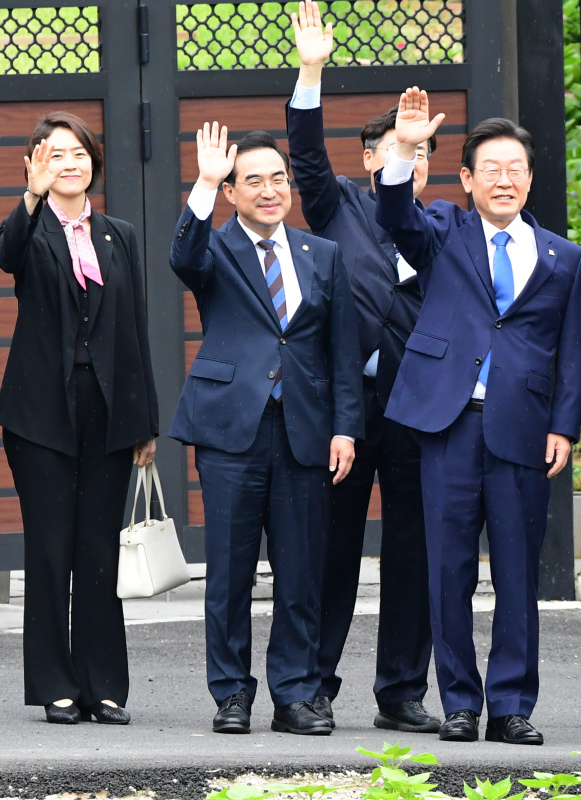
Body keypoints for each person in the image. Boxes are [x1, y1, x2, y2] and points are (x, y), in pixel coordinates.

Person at [373, 88, 581, 746]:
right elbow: (394, 214)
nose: (504, 179)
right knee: (449, 569)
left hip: (523, 427)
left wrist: (564, 426)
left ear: (530, 177)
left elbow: (575, 354)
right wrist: (404, 150)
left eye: (515, 168)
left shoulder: (563, 257)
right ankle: (461, 702)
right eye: (490, 169)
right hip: (449, 425)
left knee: (519, 572)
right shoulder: (443, 232)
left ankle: (513, 705)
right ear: (467, 179)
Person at [170, 124, 364, 736]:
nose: (269, 190)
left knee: (301, 572)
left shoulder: (321, 255)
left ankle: (296, 694)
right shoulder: (215, 247)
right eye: (252, 180)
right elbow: (182, 258)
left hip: (305, 428)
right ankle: (231, 694)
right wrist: (201, 183)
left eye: (278, 178)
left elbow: (342, 354)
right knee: (229, 572)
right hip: (233, 429)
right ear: (231, 192)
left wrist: (346, 429)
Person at [286, 1, 437, 733]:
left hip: (417, 407)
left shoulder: (444, 225)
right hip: (345, 407)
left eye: (423, 152)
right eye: (396, 149)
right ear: (370, 159)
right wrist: (312, 69)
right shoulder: (335, 202)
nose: (410, 159)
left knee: (412, 550)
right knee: (332, 549)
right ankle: (312, 684)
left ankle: (402, 692)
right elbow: (305, 152)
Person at [0, 113, 158, 726]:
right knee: (49, 549)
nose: (70, 163)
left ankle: (104, 685)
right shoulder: (31, 230)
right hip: (41, 414)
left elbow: (134, 330)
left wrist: (142, 418)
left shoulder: (118, 234)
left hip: (109, 411)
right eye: (56, 155)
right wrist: (31, 197)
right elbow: (6, 253)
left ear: (94, 161)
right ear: (38, 164)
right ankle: (54, 685)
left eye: (79, 153)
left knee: (98, 550)